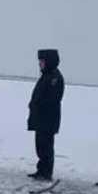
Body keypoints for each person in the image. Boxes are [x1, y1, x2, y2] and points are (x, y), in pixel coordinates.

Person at [27, 49, 64, 181]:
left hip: (47, 119)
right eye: (40, 61)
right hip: (41, 119)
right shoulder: (47, 76)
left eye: (42, 61)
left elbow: (52, 99)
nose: (40, 64)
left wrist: (39, 106)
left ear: (49, 62)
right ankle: (41, 171)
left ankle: (46, 173)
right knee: (40, 146)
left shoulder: (55, 77)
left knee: (46, 147)